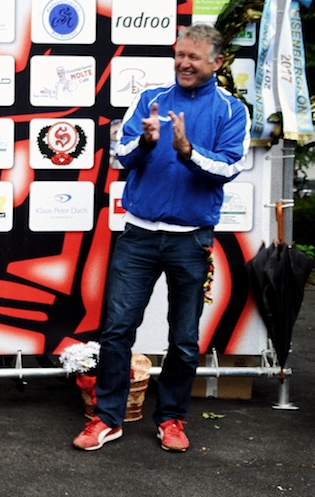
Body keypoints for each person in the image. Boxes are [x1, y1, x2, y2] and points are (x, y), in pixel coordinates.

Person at [73, 23, 250, 453]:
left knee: (184, 340)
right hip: (139, 236)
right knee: (117, 331)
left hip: (191, 241)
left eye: (193, 57)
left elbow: (229, 167)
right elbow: (121, 156)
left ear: (216, 62)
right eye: (179, 55)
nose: (183, 64)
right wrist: (148, 143)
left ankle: (171, 419)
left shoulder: (232, 110)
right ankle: (108, 417)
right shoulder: (150, 99)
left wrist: (188, 152)